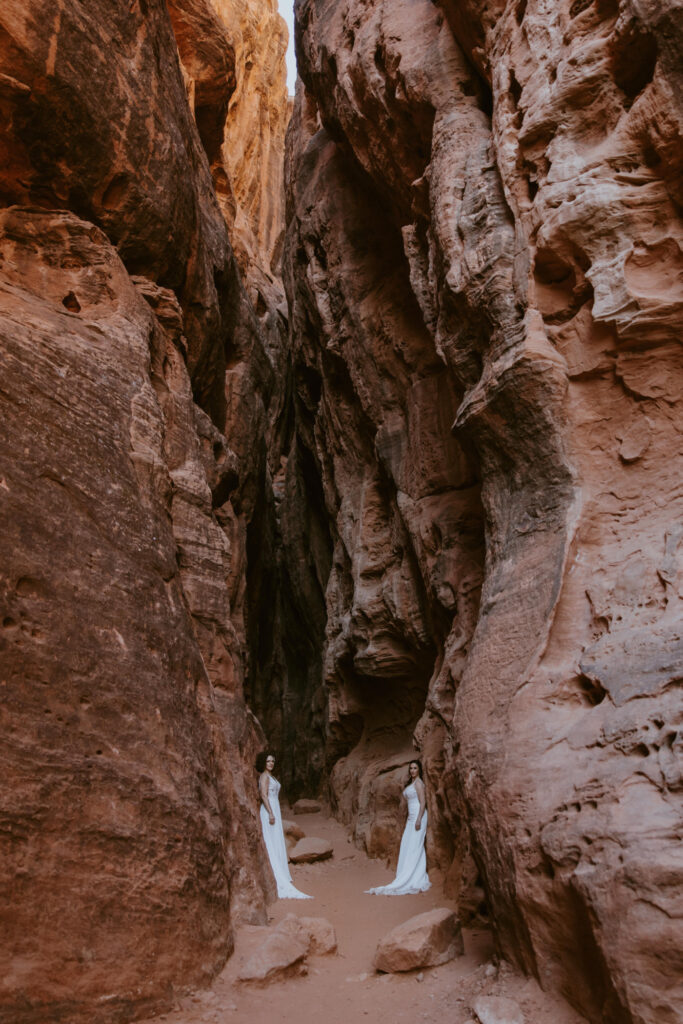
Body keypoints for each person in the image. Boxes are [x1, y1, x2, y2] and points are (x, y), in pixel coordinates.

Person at [365, 759, 430, 895]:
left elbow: (423, 803)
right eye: (411, 768)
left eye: (415, 768)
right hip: (411, 818)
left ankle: (415, 877)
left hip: (419, 816)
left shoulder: (419, 784)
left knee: (415, 846)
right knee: (407, 845)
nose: (412, 771)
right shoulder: (411, 783)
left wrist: (418, 819)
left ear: (419, 770)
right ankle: (406, 873)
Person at [258, 752, 312, 900]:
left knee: (277, 841)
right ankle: (276, 874)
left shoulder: (272, 776)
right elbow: (263, 795)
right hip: (269, 810)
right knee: (271, 841)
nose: (271, 763)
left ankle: (281, 871)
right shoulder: (264, 777)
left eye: (272, 761)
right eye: (268, 761)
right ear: (263, 762)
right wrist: (270, 813)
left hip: (274, 808)